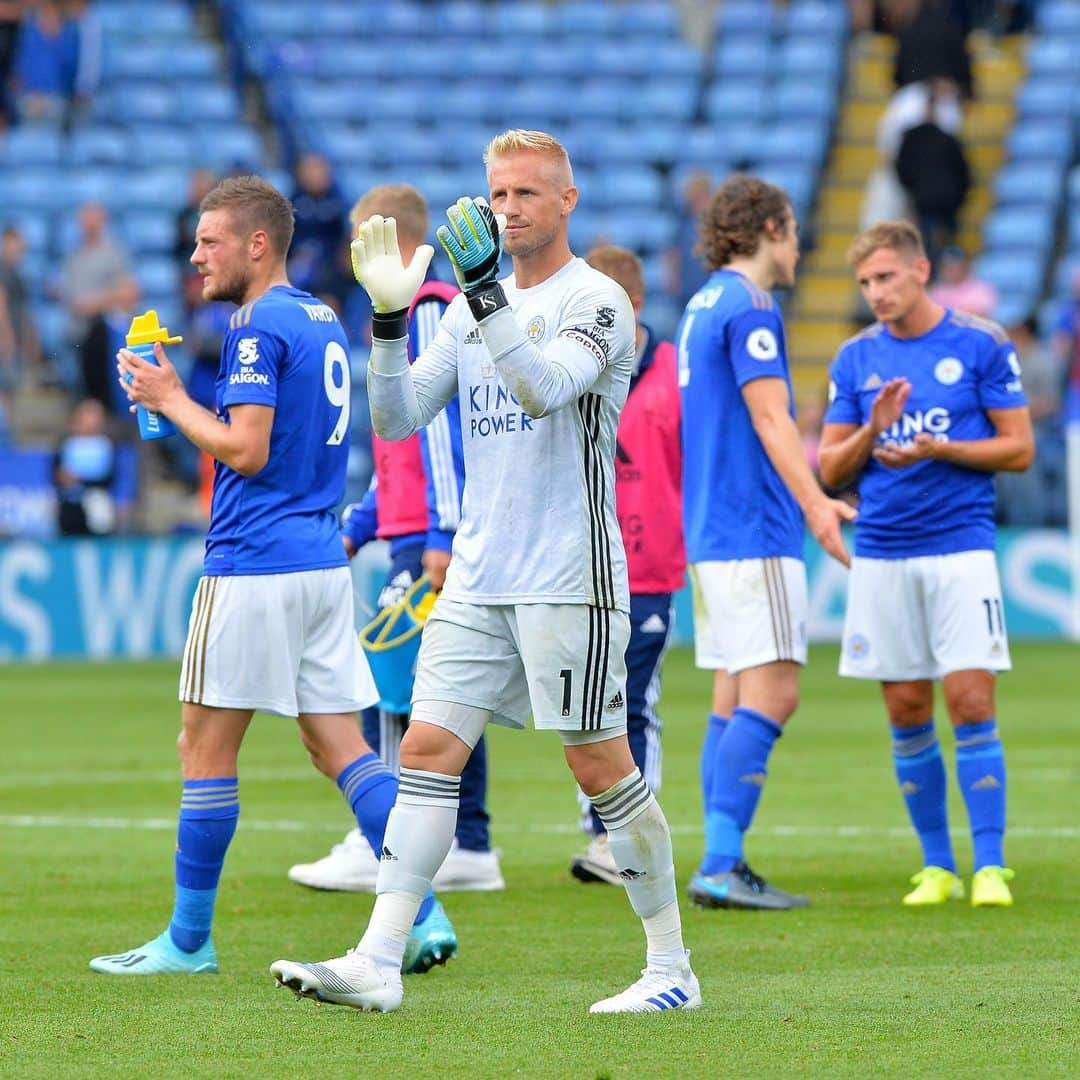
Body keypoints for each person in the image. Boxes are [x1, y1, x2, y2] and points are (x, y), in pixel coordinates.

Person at [271, 129, 700, 1015]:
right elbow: (394, 418)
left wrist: (479, 293)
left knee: (600, 769)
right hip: (477, 574)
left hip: (569, 577)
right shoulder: (469, 307)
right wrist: (389, 321)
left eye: (527, 196)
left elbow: (543, 386)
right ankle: (380, 961)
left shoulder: (599, 301)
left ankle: (671, 968)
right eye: (498, 195)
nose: (508, 211)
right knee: (427, 751)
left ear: (567, 202)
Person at [89, 175, 456, 976]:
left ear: (258, 243)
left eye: (209, 241)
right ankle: (423, 912)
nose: (196, 258)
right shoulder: (323, 316)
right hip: (321, 564)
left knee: (203, 746)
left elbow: (245, 448)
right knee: (340, 749)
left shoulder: (256, 327)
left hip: (255, 562)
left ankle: (187, 942)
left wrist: (169, 396)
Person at [287, 183, 503, 894]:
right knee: (441, 692)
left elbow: (441, 433)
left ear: (393, 242)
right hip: (413, 529)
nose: (354, 256)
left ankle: (379, 839)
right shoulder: (406, 313)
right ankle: (468, 843)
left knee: (392, 691)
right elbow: (400, 446)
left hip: (432, 540)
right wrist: (357, 526)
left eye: (363, 239)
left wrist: (440, 531)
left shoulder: (431, 309)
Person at [818, 220, 1033, 908]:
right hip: (882, 552)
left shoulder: (980, 342)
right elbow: (828, 466)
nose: (875, 292)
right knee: (906, 707)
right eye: (864, 283)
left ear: (919, 271)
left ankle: (991, 865)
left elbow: (1019, 447)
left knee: (971, 700)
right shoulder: (854, 359)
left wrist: (941, 450)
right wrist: (875, 429)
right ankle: (937, 866)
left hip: (961, 547)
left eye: (885, 277)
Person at [677, 173, 855, 912]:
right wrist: (815, 504)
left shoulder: (700, 303)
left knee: (731, 694)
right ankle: (721, 861)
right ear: (773, 227)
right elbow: (772, 418)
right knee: (774, 692)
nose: (799, 246)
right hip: (754, 525)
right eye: (794, 230)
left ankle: (723, 856)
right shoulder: (751, 306)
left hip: (711, 530)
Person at [568, 244, 685, 886]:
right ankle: (601, 830)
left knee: (634, 700)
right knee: (588, 701)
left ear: (631, 306)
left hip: (649, 566)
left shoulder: (675, 373)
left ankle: (628, 838)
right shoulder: (573, 366)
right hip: (580, 566)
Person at [895, 83, 971, 272]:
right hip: (939, 201)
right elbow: (964, 172)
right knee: (939, 243)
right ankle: (942, 274)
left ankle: (941, 276)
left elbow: (901, 168)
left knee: (934, 243)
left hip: (933, 201)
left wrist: (913, 191)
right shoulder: (942, 138)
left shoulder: (916, 139)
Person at [53, 397, 118, 536]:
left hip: (96, 501)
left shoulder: (105, 445)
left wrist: (80, 481)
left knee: (99, 511)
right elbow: (55, 472)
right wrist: (62, 478)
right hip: (69, 502)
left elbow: (109, 478)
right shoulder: (66, 443)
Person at [929, 245, 997, 319]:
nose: (952, 270)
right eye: (948, 266)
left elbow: (981, 316)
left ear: (965, 266)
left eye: (956, 266)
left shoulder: (981, 288)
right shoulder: (937, 291)